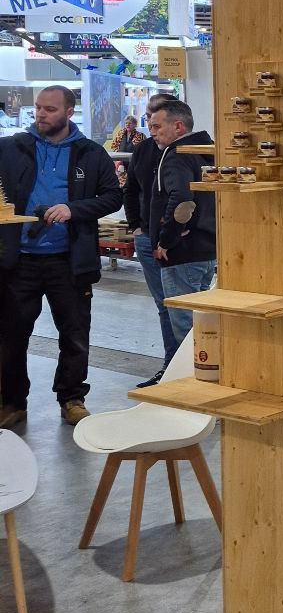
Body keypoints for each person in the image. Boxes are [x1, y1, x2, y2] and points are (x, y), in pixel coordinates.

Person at [0, 84, 122, 427]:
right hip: (18, 261)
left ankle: (71, 398)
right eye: (38, 107)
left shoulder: (90, 154)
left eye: (50, 109)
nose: (41, 114)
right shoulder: (11, 147)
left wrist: (73, 209)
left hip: (69, 261)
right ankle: (12, 402)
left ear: (69, 112)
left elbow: (113, 197)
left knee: (75, 333)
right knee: (10, 335)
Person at [146, 98, 216, 356]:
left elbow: (183, 201)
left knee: (187, 331)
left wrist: (166, 240)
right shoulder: (207, 151)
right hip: (207, 249)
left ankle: (195, 375)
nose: (152, 133)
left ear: (178, 127)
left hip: (183, 254)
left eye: (156, 126)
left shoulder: (177, 155)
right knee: (203, 325)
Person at [123, 90, 175, 383]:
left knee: (182, 308)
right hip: (145, 238)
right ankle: (171, 367)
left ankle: (188, 370)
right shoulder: (143, 150)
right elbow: (130, 189)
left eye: (156, 119)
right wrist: (136, 226)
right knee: (164, 306)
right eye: (148, 118)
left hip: (178, 242)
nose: (151, 125)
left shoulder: (188, 150)